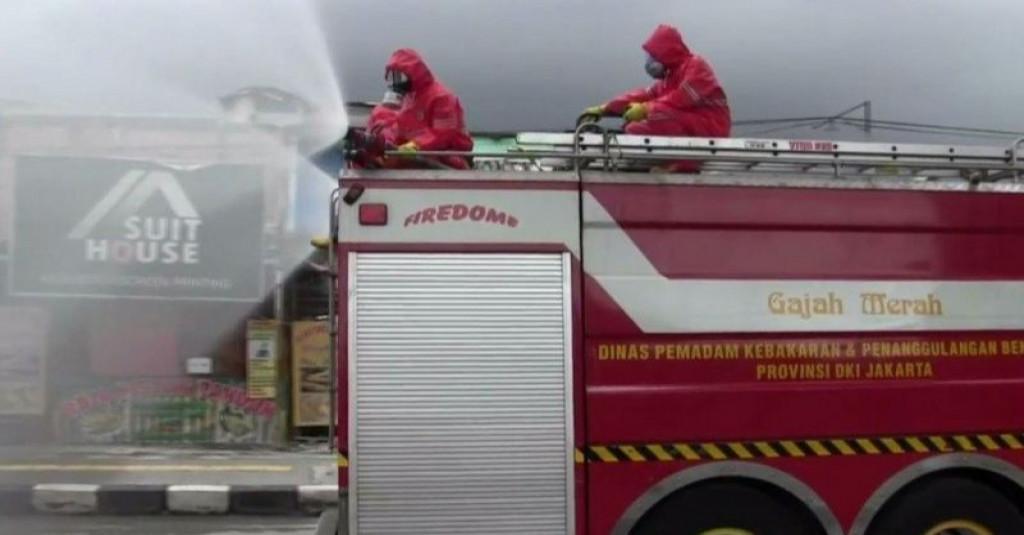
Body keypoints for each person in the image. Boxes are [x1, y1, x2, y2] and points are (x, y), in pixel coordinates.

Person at [583, 24, 731, 172]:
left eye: (653, 56)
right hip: (689, 125)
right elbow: (644, 95)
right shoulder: (669, 78)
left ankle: (686, 164)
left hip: (711, 127)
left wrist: (645, 109)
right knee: (633, 128)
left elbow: (683, 97)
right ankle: (667, 161)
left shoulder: (697, 66)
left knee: (658, 113)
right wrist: (605, 109)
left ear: (666, 52)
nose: (649, 62)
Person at [378, 48, 474, 169]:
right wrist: (385, 145)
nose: (396, 82)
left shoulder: (441, 97)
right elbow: (399, 130)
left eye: (400, 76)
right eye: (393, 77)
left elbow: (441, 135)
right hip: (415, 157)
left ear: (413, 72)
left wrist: (411, 147)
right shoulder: (409, 99)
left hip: (448, 158)